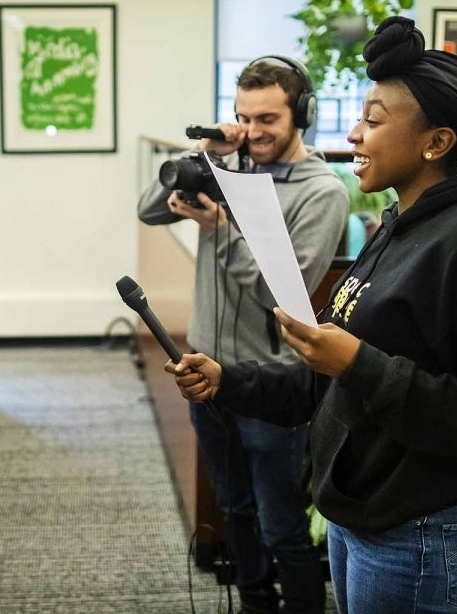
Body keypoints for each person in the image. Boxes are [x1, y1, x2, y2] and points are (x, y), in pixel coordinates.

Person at [167, 17, 457, 614]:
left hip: (417, 528)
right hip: (361, 512)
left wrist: (361, 364)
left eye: (373, 121)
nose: (353, 135)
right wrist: (230, 379)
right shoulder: (396, 226)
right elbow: (337, 376)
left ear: (437, 142)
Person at [138, 55, 349, 613]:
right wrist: (208, 156)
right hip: (207, 374)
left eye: (267, 119)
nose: (253, 131)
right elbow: (147, 209)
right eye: (243, 117)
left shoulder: (321, 192)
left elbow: (284, 292)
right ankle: (255, 604)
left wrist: (222, 231)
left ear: (301, 114)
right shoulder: (232, 172)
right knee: (234, 508)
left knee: (281, 523)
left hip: (270, 382)